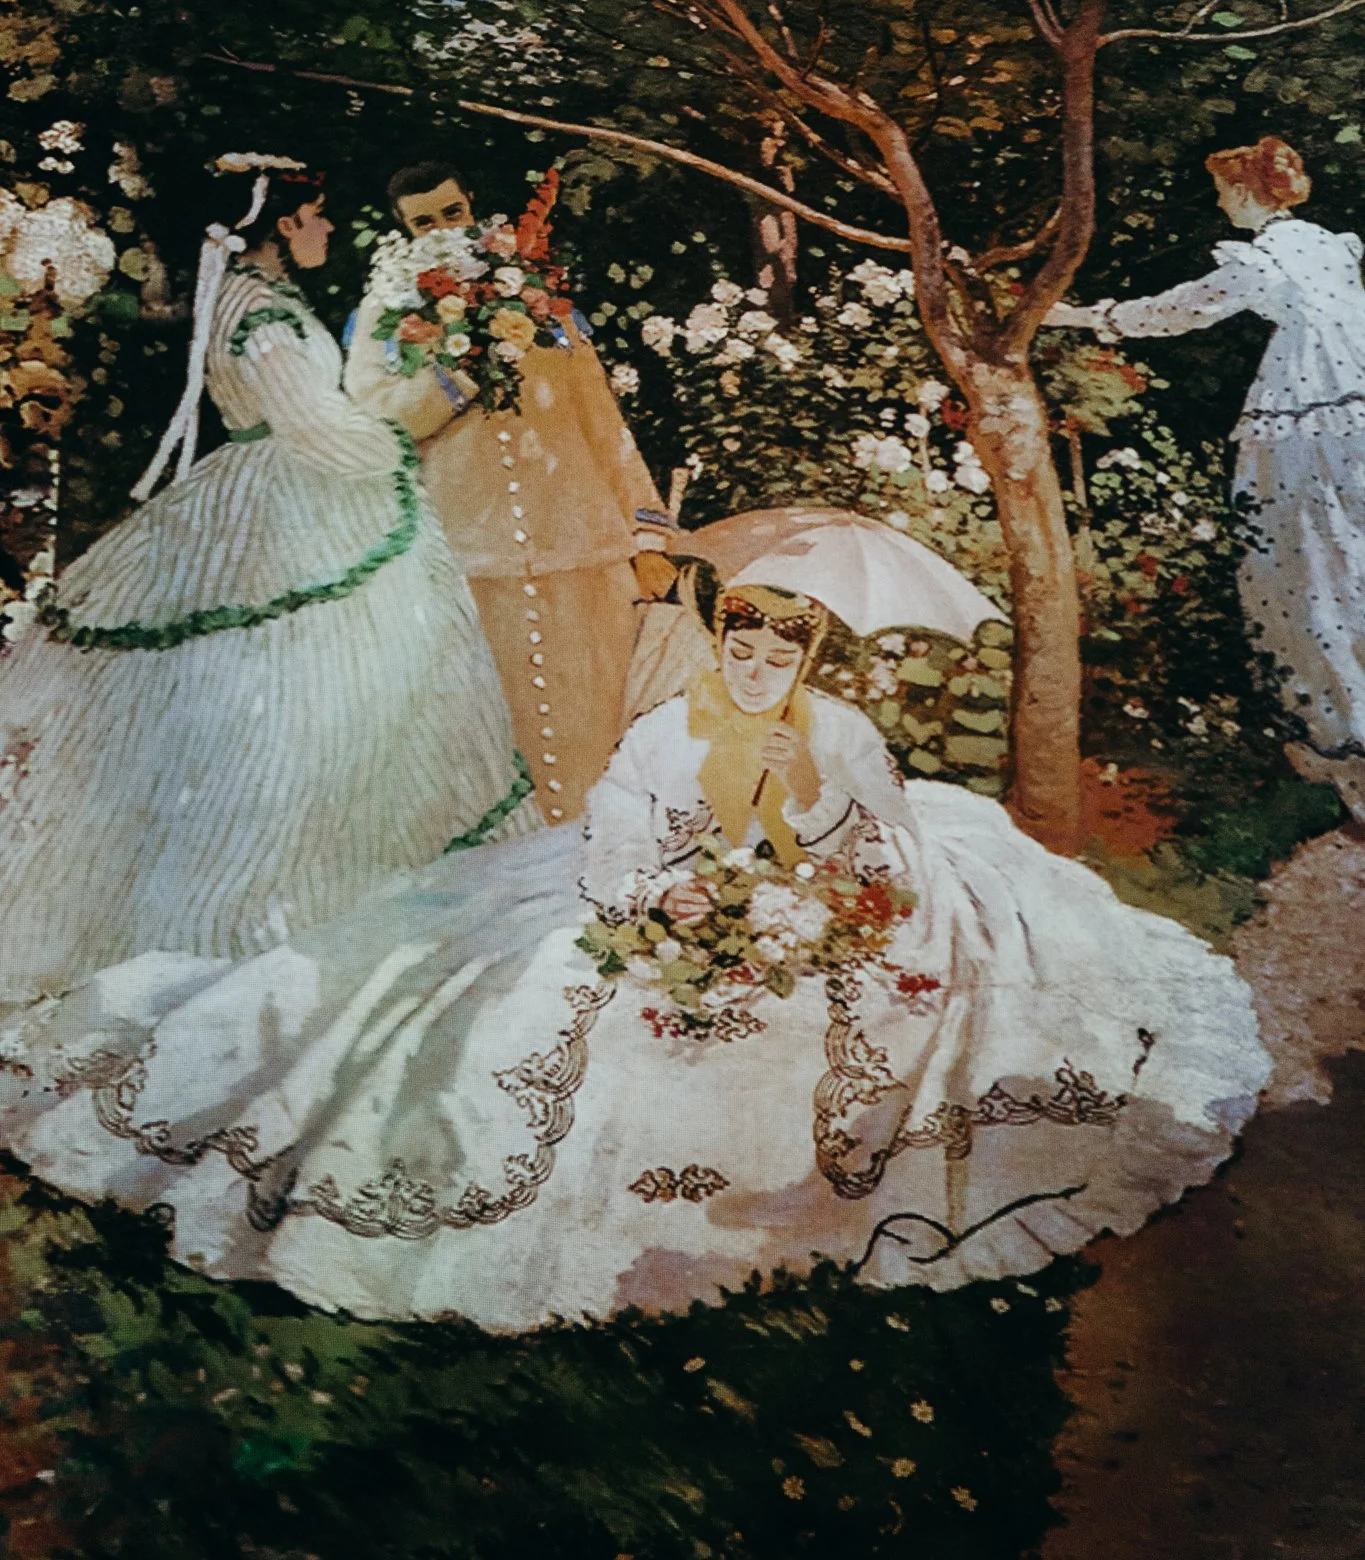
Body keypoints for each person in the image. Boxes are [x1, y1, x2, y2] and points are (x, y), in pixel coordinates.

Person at [0, 581, 1268, 1333]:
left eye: (779, 657)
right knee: (533, 988)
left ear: (809, 662)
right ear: (721, 646)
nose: (756, 671)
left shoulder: (835, 730)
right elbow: (616, 833)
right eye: (740, 650)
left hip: (811, 891)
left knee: (853, 1003)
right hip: (686, 889)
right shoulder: (672, 727)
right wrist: (676, 893)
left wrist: (810, 801)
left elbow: (886, 847)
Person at [0, 159, 537, 1007]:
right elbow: (316, 428)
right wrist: (423, 415)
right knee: (297, 704)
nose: (328, 228)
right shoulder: (260, 312)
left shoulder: (252, 295)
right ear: (283, 225)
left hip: (273, 491)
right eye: (317, 215)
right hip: (286, 504)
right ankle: (264, 920)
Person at [1047, 135, 1365, 818]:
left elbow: (1181, 309)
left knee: (1308, 569)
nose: (1220, 205)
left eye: (1224, 193)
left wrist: (1082, 316)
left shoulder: (1262, 258)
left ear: (1245, 193)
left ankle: (1347, 743)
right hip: (1355, 403)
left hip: (1309, 415)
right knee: (1349, 562)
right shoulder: (1328, 245)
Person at [345, 159, 669, 823]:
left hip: (576, 540)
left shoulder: (536, 290)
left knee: (594, 720)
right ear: (404, 230)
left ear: (472, 205)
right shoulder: (385, 311)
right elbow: (374, 425)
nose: (442, 229)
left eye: (452, 212)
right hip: (470, 549)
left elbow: (600, 417)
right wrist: (454, 376)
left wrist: (648, 536)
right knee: (495, 735)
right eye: (424, 223)